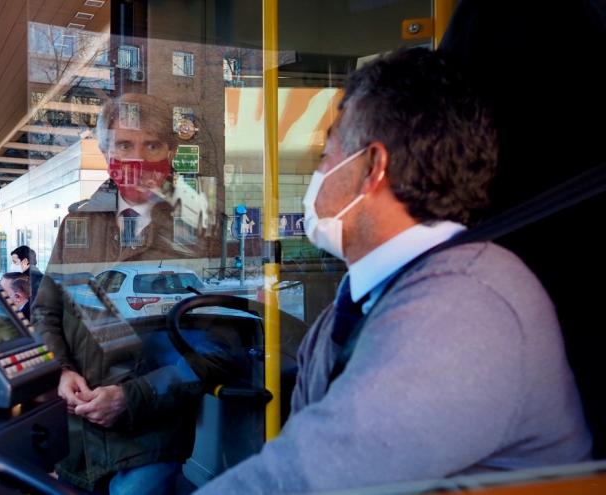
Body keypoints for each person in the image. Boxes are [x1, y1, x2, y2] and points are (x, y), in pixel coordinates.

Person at [197, 48, 590, 494]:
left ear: (373, 168)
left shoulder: (466, 307)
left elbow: (303, 479)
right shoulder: (363, 303)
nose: (318, 175)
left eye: (327, 155)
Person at [34, 93, 205, 493]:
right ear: (106, 149)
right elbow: (46, 311)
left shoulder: (201, 230)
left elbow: (218, 347)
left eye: (152, 145)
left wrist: (131, 397)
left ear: (172, 150)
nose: (139, 157)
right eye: (125, 144)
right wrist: (60, 370)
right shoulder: (78, 223)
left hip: (152, 436)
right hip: (77, 435)